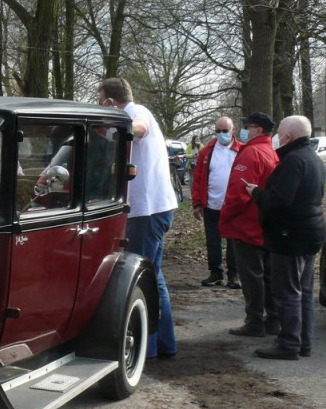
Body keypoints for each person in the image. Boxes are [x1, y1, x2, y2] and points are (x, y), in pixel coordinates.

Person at [99, 77, 178, 359]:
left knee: (141, 279)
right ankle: (162, 344)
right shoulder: (129, 115)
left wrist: (114, 126)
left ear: (110, 102)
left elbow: (139, 128)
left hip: (147, 210)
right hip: (152, 208)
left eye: (101, 101)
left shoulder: (135, 112)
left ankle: (150, 347)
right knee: (153, 277)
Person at [245, 115, 325, 360]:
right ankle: (303, 342)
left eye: (280, 131)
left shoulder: (293, 161)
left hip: (291, 235)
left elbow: (280, 200)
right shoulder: (313, 158)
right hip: (311, 231)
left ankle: (289, 343)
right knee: (304, 290)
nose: (277, 136)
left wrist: (256, 192)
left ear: (288, 136)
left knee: (288, 291)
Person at [219, 112, 280, 338]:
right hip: (264, 223)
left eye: (247, 126)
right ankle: (273, 319)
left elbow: (237, 192)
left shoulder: (251, 153)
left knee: (251, 275)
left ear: (258, 130)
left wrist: (226, 216)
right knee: (268, 274)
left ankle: (254, 321)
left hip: (248, 224)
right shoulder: (270, 152)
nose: (243, 129)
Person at [191, 116, 242, 287]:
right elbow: (198, 178)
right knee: (213, 240)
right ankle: (215, 272)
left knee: (234, 241)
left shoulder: (242, 150)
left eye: (225, 131)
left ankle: (234, 274)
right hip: (211, 204)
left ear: (232, 130)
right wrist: (197, 204)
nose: (221, 134)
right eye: (218, 131)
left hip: (234, 205)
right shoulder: (207, 151)